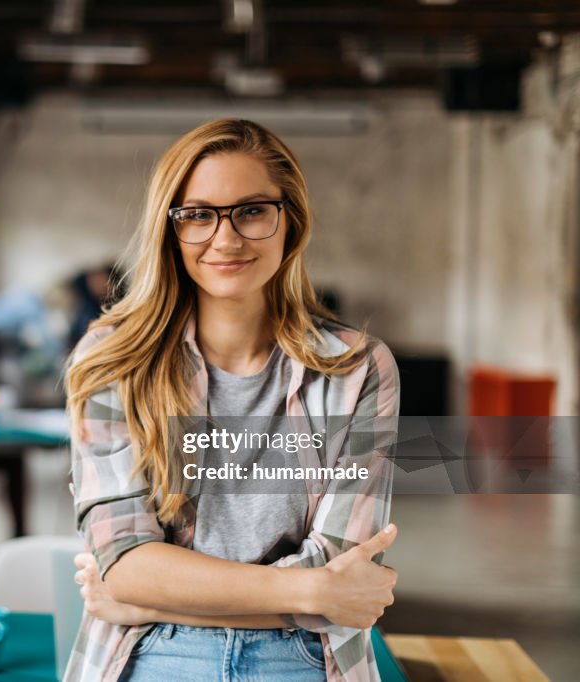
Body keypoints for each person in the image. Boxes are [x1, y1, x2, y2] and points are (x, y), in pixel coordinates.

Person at [63, 119, 400, 681]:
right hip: (150, 652)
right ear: (170, 230)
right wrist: (311, 590)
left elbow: (346, 568)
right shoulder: (114, 361)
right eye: (197, 215)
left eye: (250, 211)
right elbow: (124, 565)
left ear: (288, 222)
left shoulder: (357, 368)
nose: (225, 238)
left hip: (304, 660)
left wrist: (147, 596)